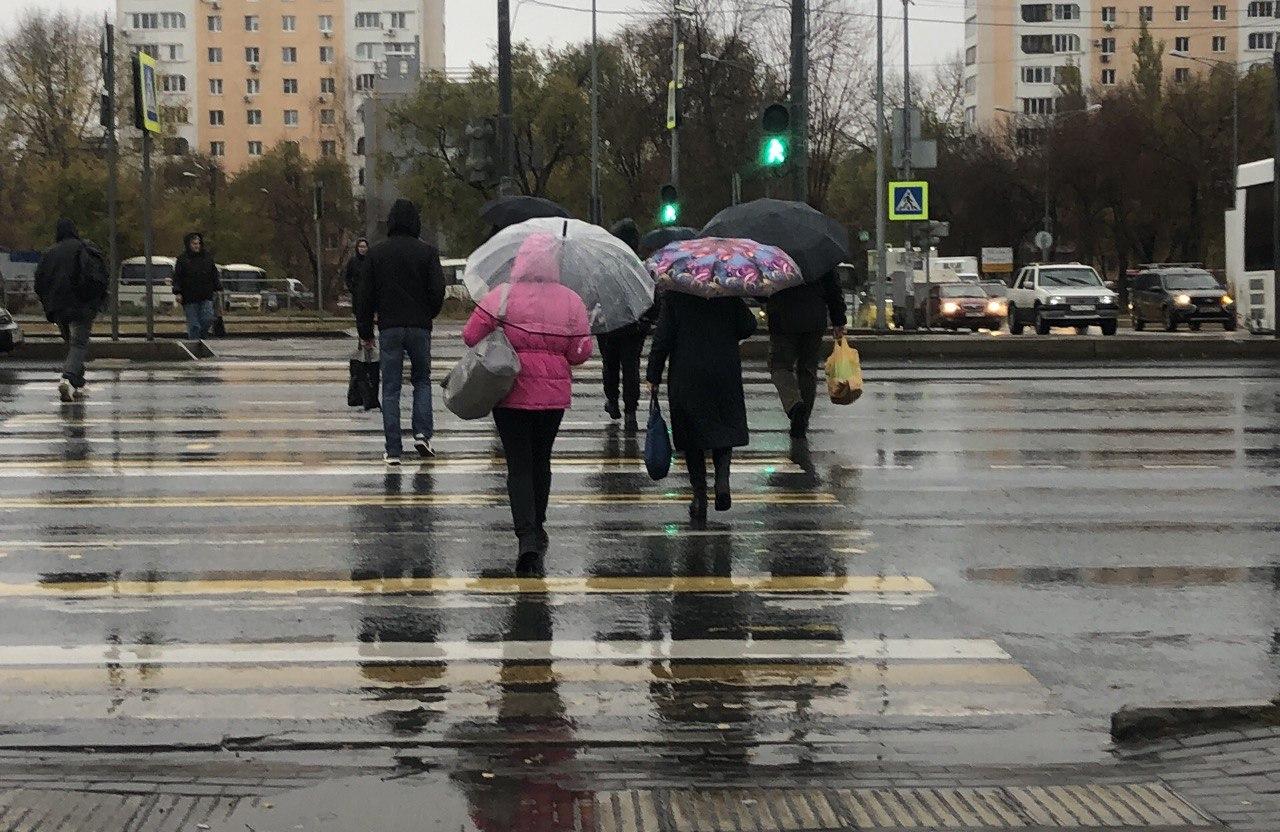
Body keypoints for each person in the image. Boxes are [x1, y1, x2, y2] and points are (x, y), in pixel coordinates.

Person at [462, 234, 592, 574]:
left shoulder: (501, 296)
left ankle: (527, 538)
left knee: (518, 465)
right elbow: (581, 353)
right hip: (552, 397)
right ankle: (539, 526)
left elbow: (470, 336)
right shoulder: (571, 300)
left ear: (520, 259)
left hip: (509, 391)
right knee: (541, 461)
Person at [647, 291, 757, 525]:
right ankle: (722, 480)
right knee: (724, 425)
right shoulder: (726, 293)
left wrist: (653, 375)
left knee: (691, 436)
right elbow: (749, 325)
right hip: (723, 369)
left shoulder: (676, 296)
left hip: (687, 373)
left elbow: (662, 339)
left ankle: (699, 496)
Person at [356, 200, 446, 464]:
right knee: (422, 381)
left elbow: (364, 295)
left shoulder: (377, 254)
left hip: (389, 326)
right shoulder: (427, 252)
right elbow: (437, 290)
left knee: (391, 387)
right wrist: (428, 314)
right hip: (419, 326)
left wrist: (365, 330)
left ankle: (393, 449)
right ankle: (422, 434)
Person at [765, 268, 847, 438]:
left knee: (779, 366)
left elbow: (763, 290)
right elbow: (833, 288)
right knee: (808, 369)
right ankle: (802, 420)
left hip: (783, 317)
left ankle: (795, 405)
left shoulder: (775, 254)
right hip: (814, 318)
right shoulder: (818, 255)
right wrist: (838, 320)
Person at [34, 219, 108, 403]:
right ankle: (67, 378)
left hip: (58, 308)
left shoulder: (49, 254)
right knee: (79, 344)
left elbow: (39, 283)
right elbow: (98, 277)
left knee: (72, 344)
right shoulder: (84, 249)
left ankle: (77, 382)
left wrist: (48, 303)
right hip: (83, 305)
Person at [596, 219, 651, 429]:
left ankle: (612, 400)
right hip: (634, 325)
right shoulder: (640, 267)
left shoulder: (605, 266)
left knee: (610, 365)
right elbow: (651, 296)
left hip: (609, 324)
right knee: (631, 367)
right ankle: (631, 411)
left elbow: (595, 293)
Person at [172, 232, 221, 341]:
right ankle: (195, 344)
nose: (197, 245)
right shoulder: (182, 259)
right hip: (189, 297)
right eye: (194, 243)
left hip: (206, 295)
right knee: (194, 325)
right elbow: (177, 277)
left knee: (208, 318)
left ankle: (202, 338)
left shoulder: (207, 257)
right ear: (188, 244)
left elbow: (214, 273)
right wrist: (178, 292)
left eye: (198, 243)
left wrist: (217, 287)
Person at [342, 237, 369, 308]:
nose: (362, 249)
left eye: (364, 247)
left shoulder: (370, 261)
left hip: (369, 295)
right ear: (357, 248)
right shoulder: (353, 261)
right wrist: (352, 289)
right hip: (357, 295)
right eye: (360, 246)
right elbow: (347, 277)